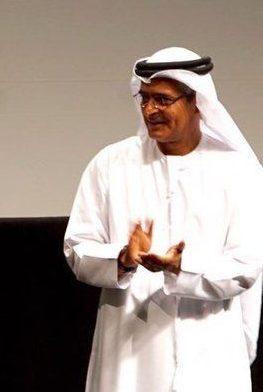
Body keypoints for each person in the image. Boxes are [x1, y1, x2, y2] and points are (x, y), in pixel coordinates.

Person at [64, 47, 263, 392]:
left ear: (195, 100)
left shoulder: (239, 170)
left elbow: (246, 266)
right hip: (129, 353)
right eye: (144, 99)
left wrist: (181, 266)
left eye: (162, 100)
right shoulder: (111, 164)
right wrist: (122, 259)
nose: (149, 110)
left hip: (210, 350)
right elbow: (78, 248)